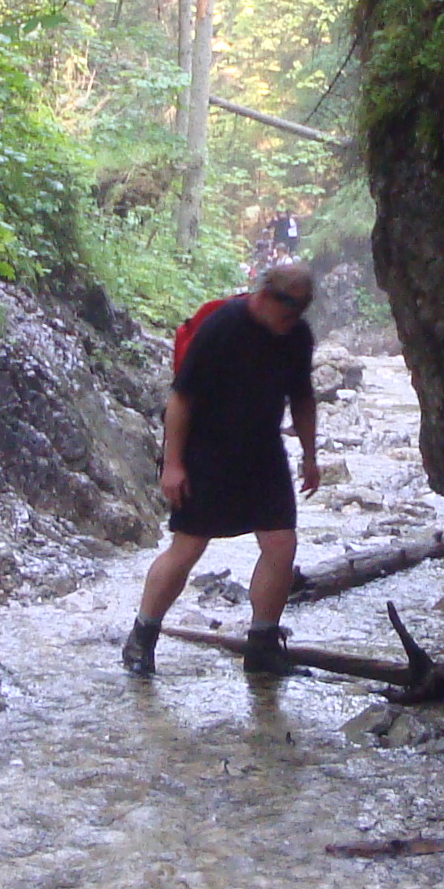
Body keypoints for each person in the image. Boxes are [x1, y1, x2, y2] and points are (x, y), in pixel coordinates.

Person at [123, 259, 320, 680]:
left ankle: (262, 646)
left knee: (281, 545)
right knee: (187, 549)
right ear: (265, 296)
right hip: (207, 452)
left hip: (263, 453)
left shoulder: (297, 336)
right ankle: (142, 637)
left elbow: (303, 398)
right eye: (288, 308)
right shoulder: (223, 327)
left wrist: (310, 455)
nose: (293, 318)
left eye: (301, 310)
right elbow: (181, 399)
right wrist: (173, 465)